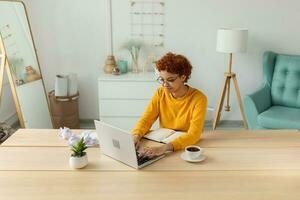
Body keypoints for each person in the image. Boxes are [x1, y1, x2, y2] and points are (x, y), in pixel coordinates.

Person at [131, 52, 207, 158]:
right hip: (162, 142)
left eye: (170, 80)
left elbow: (194, 134)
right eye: (162, 79)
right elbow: (146, 119)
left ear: (183, 77)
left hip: (186, 146)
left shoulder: (199, 98)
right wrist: (136, 136)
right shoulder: (160, 93)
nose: (165, 85)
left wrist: (164, 148)